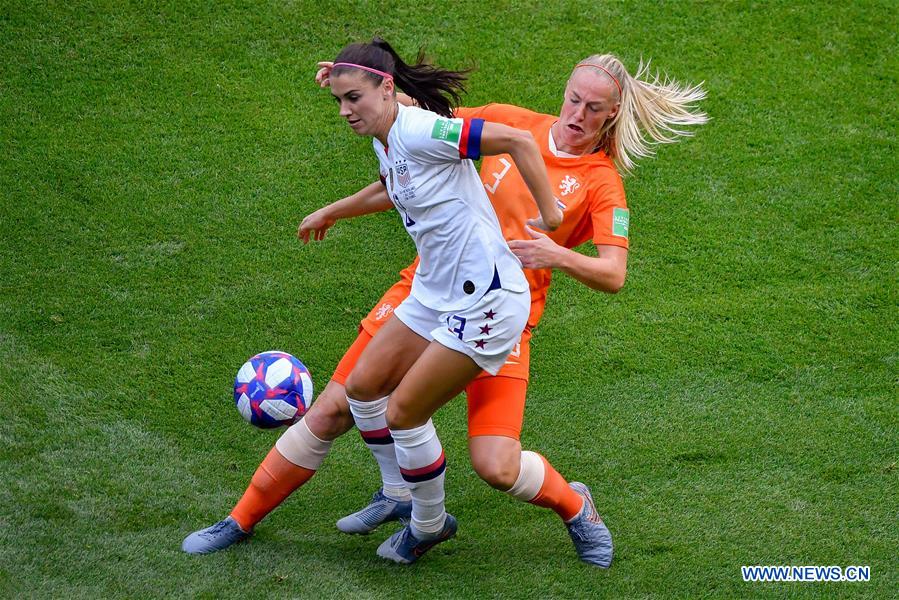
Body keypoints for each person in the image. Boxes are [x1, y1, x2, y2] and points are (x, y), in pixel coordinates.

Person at [183, 48, 707, 569]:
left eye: (593, 108)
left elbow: (614, 274)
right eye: (573, 99)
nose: (577, 115)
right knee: (341, 403)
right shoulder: (506, 119)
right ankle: (248, 518)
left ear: (611, 114)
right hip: (428, 288)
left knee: (495, 465)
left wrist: (557, 254)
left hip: (498, 315)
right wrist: (357, 87)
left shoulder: (600, 182)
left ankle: (573, 506)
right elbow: (416, 143)